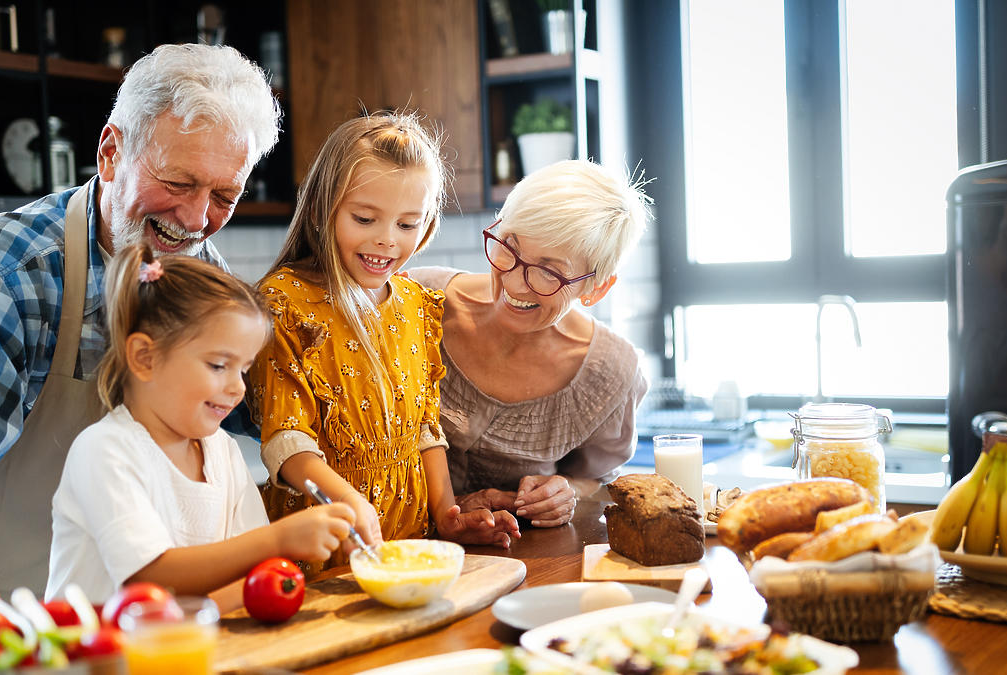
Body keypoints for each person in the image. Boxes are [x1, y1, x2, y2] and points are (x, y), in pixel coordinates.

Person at [0, 43, 280, 673]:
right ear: (110, 151)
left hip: (96, 641)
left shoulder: (200, 276)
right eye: (178, 182)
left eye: (223, 195)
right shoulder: (10, 266)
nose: (196, 218)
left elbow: (260, 410)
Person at [247, 111, 519, 575]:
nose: (386, 240)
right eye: (365, 218)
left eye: (408, 224)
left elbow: (423, 429)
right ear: (321, 207)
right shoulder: (284, 301)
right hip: (322, 552)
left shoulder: (417, 304)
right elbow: (286, 441)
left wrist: (446, 516)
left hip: (410, 545)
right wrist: (351, 504)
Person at [45, 245, 353, 602]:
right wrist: (279, 539)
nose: (238, 387)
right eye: (218, 365)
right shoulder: (104, 451)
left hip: (188, 648)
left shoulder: (222, 451)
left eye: (243, 369)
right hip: (98, 655)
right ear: (145, 357)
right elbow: (148, 581)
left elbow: (246, 577)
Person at [408, 159, 651, 528]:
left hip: (525, 569)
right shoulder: (415, 302)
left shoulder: (611, 373)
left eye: (549, 271)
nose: (516, 284)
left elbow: (596, 479)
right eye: (509, 246)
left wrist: (565, 491)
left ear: (596, 288)